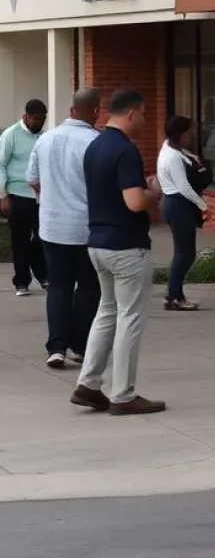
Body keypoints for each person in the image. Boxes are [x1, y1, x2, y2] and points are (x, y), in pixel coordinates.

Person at [71, 88, 165, 416]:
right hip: (126, 246)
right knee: (129, 318)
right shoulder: (126, 151)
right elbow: (134, 201)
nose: (144, 119)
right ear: (130, 114)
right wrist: (153, 191)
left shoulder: (94, 146)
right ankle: (123, 395)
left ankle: (89, 383)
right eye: (142, 113)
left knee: (107, 312)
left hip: (97, 242)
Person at [25, 89, 102, 369]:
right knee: (89, 287)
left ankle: (56, 347)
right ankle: (79, 345)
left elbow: (32, 179)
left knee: (58, 287)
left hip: (52, 227)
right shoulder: (96, 142)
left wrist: (49, 199)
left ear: (71, 110)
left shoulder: (45, 139)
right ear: (96, 111)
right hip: (85, 228)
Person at [157, 116, 211, 312]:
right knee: (184, 253)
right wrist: (203, 206)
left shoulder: (174, 150)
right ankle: (174, 297)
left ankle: (174, 294)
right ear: (180, 134)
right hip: (177, 204)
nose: (192, 135)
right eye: (189, 131)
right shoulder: (171, 156)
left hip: (177, 204)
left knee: (184, 252)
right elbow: (183, 187)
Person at [0, 98, 49, 296]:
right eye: (36, 119)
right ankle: (21, 281)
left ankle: (43, 274)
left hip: (40, 196)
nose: (39, 123)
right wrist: (3, 196)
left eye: (42, 119)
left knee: (41, 237)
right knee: (19, 239)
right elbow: (0, 165)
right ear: (26, 116)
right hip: (17, 195)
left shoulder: (45, 137)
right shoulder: (11, 135)